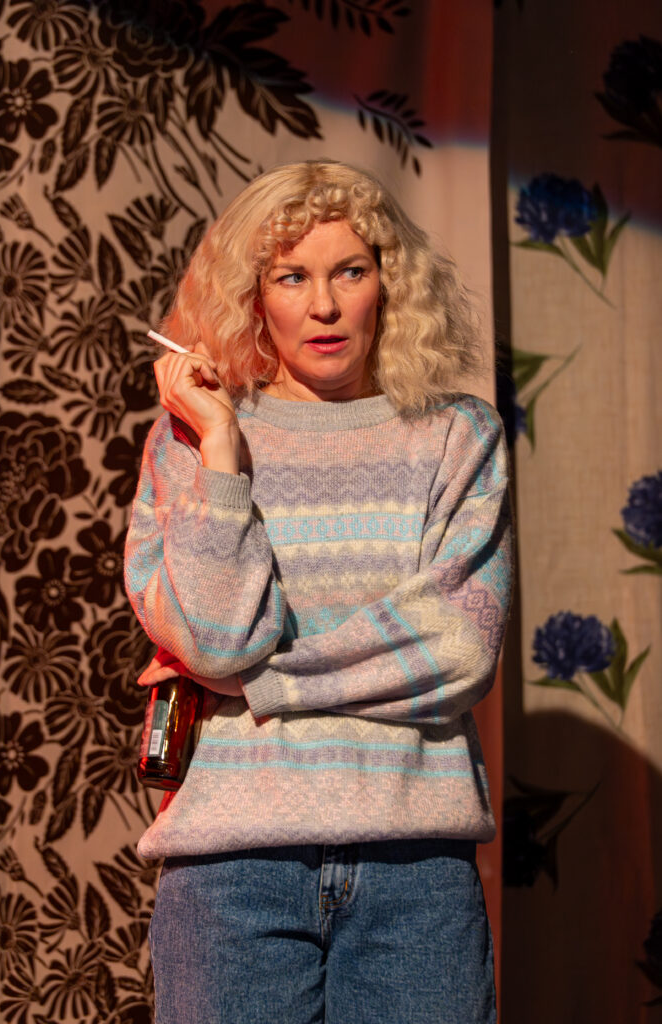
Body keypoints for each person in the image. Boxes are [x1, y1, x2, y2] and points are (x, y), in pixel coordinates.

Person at [124, 159, 512, 1024]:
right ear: (253, 297)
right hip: (230, 873)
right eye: (291, 277)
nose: (325, 306)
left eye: (350, 272)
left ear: (389, 284)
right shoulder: (189, 439)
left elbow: (458, 649)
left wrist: (260, 684)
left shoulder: (456, 436)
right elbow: (216, 641)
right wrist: (222, 449)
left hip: (415, 871)